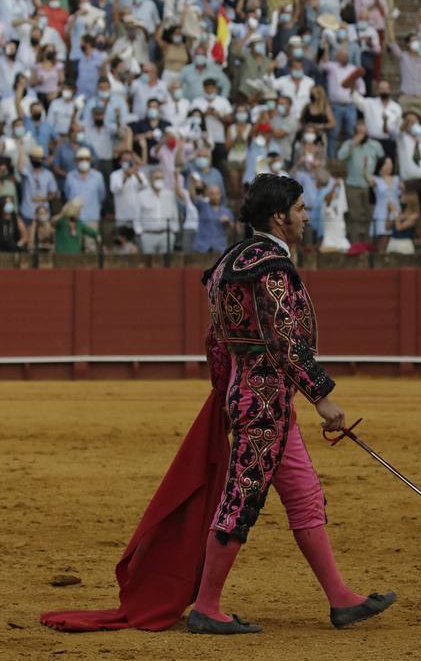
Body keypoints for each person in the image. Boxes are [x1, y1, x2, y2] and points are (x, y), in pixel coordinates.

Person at [40, 175, 397, 635]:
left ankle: (340, 598)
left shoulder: (230, 261)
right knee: (241, 498)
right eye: (302, 209)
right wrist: (323, 397)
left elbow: (216, 343)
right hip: (263, 404)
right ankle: (207, 606)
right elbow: (283, 340)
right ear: (279, 216)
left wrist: (226, 392)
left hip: (256, 398)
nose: (307, 216)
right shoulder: (270, 267)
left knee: (305, 494)